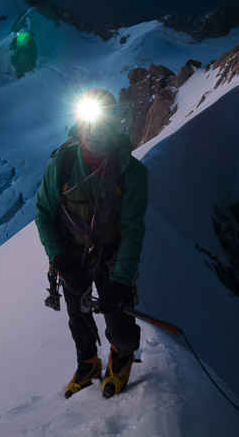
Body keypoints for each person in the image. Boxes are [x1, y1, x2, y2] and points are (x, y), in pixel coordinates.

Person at [35, 88, 148, 399]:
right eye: (89, 123)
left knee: (122, 329)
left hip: (112, 257)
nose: (93, 132)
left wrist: (120, 283)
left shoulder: (132, 174)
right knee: (78, 315)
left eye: (102, 124)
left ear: (114, 127)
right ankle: (87, 363)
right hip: (73, 256)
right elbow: (44, 214)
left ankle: (121, 354)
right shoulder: (63, 165)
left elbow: (132, 230)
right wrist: (60, 259)